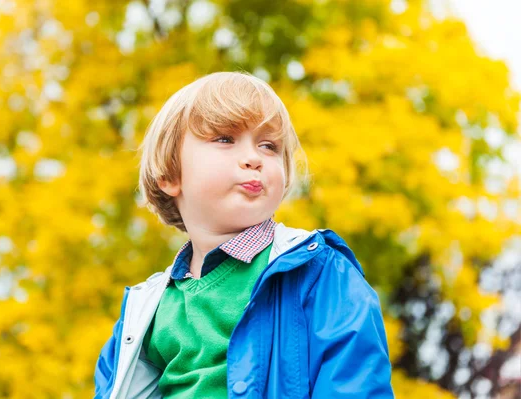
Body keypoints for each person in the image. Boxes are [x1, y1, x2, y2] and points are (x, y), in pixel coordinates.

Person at [93, 71, 394, 398]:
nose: (253, 158)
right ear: (170, 174)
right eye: (225, 139)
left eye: (269, 146)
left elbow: (355, 384)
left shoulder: (319, 273)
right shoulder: (143, 314)